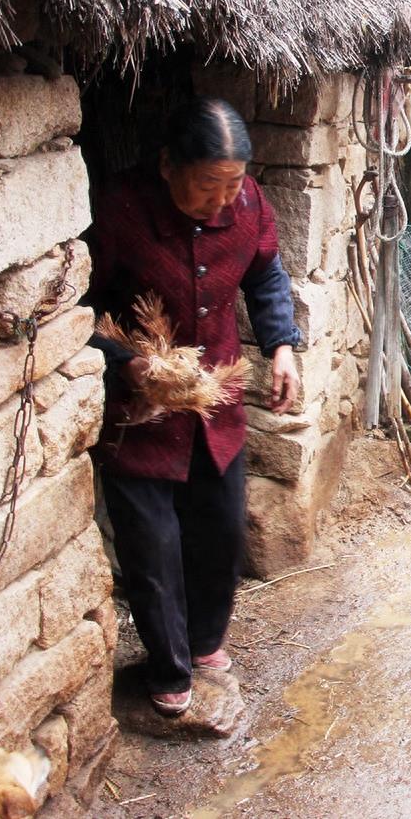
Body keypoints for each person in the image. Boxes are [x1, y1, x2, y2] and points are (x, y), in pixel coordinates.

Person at [85, 98, 302, 715]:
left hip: (216, 406)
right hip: (141, 411)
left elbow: (266, 276)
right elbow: (80, 304)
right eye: (208, 186)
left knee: (220, 530)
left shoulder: (250, 206)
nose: (221, 203)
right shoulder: (121, 212)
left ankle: (206, 643)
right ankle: (167, 667)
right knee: (151, 546)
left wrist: (282, 345)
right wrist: (125, 357)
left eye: (232, 186)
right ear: (166, 166)